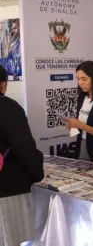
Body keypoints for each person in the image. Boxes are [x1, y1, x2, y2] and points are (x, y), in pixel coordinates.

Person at [0, 65, 44, 246]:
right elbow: (25, 149)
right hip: (7, 190)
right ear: (3, 85)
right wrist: (37, 174)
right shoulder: (8, 108)